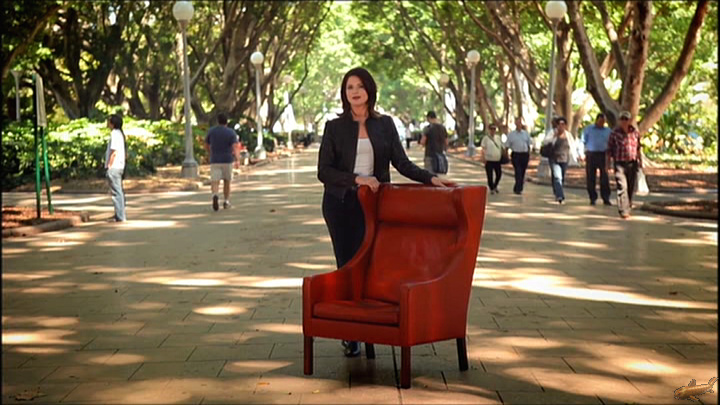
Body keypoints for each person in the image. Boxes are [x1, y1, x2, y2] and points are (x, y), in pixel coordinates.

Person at [317, 67, 453, 357]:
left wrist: (430, 178)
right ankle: (351, 334)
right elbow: (324, 171)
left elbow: (401, 163)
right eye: (349, 87)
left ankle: (371, 322)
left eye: (360, 86)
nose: (355, 91)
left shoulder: (384, 124)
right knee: (347, 264)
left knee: (372, 264)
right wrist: (358, 179)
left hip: (374, 205)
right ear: (344, 93)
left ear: (370, 90)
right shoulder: (334, 127)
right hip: (340, 204)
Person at [606, 110, 642, 219]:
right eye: (622, 119)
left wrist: (640, 162)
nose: (624, 121)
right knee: (622, 186)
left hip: (632, 163)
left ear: (630, 120)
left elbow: (638, 148)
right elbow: (609, 150)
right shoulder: (614, 133)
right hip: (620, 163)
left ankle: (628, 205)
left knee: (630, 187)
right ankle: (623, 210)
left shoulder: (635, 133)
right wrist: (607, 164)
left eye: (626, 119)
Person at [204, 113, 241, 211]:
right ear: (226, 122)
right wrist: (237, 159)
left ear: (218, 121)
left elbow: (206, 145)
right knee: (227, 181)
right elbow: (235, 147)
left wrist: (210, 153)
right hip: (227, 160)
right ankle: (226, 201)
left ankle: (215, 195)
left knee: (215, 181)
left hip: (215, 160)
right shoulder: (231, 132)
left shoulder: (211, 131)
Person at [582, 113, 612, 205]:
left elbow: (611, 143)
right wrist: (582, 153)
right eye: (600, 121)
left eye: (603, 121)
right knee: (591, 177)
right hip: (591, 154)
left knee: (604, 177)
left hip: (603, 155)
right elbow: (583, 141)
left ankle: (606, 197)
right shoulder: (589, 129)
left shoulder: (608, 131)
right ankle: (592, 197)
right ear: (597, 120)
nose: (601, 123)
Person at [543, 116, 571, 204]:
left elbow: (572, 145)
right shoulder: (552, 132)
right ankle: (560, 196)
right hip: (554, 159)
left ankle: (557, 191)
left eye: (563, 124)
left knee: (561, 177)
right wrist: (553, 137)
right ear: (557, 125)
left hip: (564, 159)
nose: (561, 126)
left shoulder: (568, 135)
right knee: (557, 176)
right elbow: (545, 141)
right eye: (560, 124)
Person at [105, 114, 126, 222]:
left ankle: (120, 216)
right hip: (120, 165)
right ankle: (119, 213)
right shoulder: (120, 134)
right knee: (118, 191)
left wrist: (109, 164)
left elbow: (114, 151)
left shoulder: (114, 133)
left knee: (116, 192)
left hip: (114, 166)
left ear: (112, 123)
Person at [504, 116, 532, 195]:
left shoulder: (526, 134)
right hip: (516, 155)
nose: (519, 124)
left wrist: (529, 154)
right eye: (517, 122)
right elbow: (507, 145)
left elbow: (529, 144)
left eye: (520, 122)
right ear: (515, 123)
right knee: (518, 171)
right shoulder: (511, 135)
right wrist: (506, 155)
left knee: (522, 172)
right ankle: (518, 188)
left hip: (524, 154)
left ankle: (518, 187)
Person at [420, 110, 449, 174]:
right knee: (438, 175)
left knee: (429, 175)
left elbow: (423, 141)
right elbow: (446, 142)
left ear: (429, 118)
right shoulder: (443, 128)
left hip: (429, 155)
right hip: (440, 155)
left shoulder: (427, 128)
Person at [480, 124, 503, 194]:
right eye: (491, 129)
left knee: (499, 174)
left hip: (497, 160)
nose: (493, 130)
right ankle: (491, 188)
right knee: (490, 175)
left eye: (494, 129)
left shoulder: (498, 138)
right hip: (489, 160)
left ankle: (495, 185)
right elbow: (483, 148)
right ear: (489, 130)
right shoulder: (486, 138)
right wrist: (483, 157)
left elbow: (501, 147)